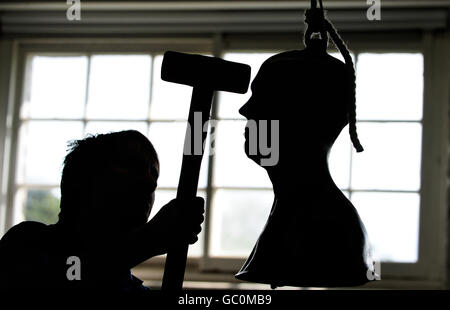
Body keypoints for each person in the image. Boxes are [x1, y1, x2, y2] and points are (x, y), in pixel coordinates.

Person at [235, 36, 373, 287]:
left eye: (265, 100)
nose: (246, 110)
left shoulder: (333, 229)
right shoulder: (292, 209)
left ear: (301, 120)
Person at [0, 130, 204, 294]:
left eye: (154, 174)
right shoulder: (25, 244)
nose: (151, 183)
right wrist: (148, 240)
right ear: (83, 180)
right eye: (132, 166)